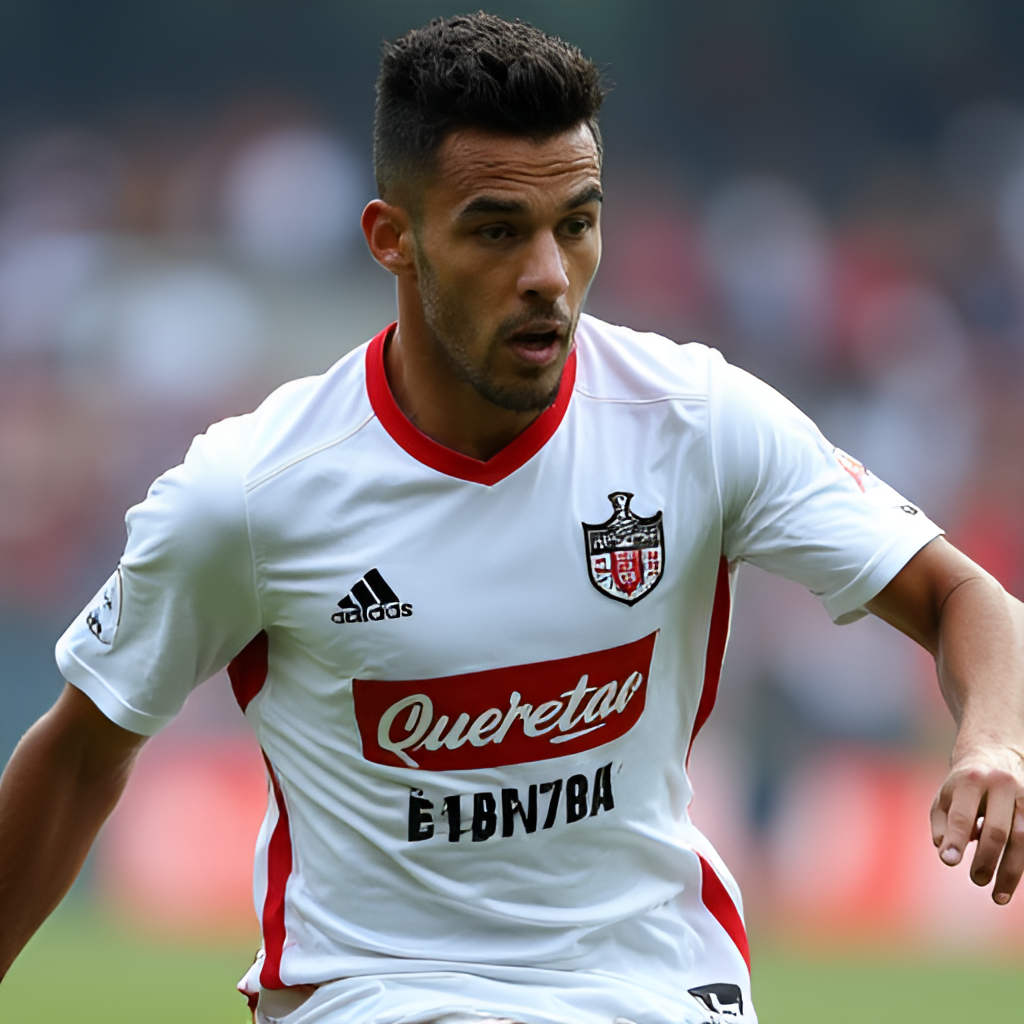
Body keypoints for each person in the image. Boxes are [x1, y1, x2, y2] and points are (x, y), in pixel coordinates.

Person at [1, 13, 1022, 1024]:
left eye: (575, 224)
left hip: (654, 988)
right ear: (392, 240)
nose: (546, 273)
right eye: (497, 230)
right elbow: (85, 749)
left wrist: (994, 745)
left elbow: (965, 596)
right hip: (376, 993)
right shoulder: (253, 492)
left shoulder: (696, 422)